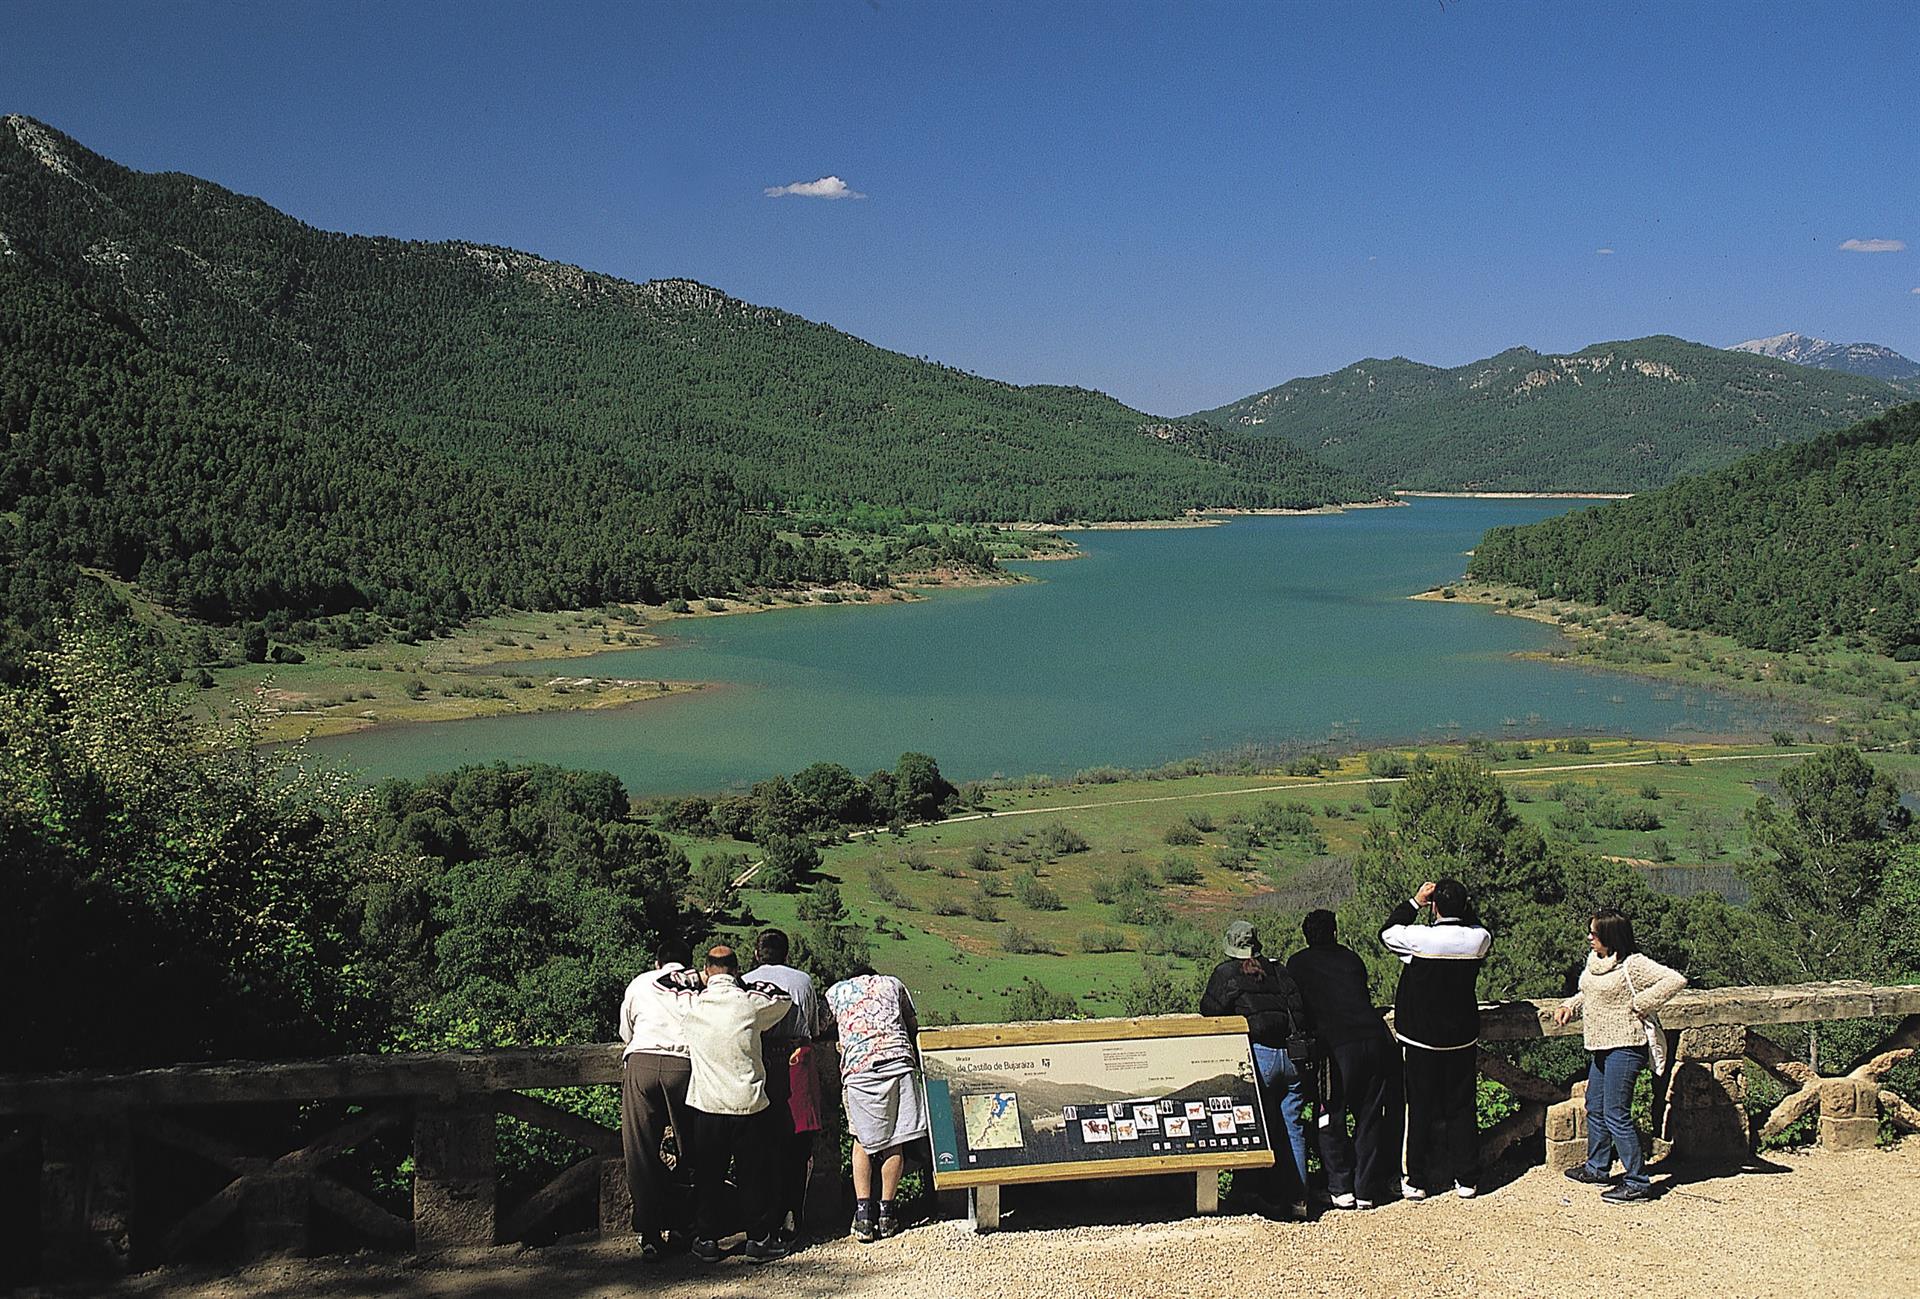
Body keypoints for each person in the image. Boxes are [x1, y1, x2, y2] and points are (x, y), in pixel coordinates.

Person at [655, 944, 793, 1263]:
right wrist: (739, 982)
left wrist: (700, 979)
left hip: (707, 1103)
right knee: (753, 1175)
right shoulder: (750, 1004)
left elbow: (664, 985)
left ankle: (706, 1239)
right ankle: (758, 1239)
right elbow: (782, 997)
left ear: (706, 970)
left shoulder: (693, 1003)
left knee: (708, 1176)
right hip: (748, 1102)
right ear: (736, 970)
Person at [1553, 908, 1688, 1204]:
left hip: (1626, 1046)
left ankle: (1638, 1182)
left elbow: (1675, 980)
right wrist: (1570, 1006)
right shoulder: (1596, 962)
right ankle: (1598, 1168)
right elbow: (1589, 994)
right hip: (1601, 1045)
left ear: (1610, 937)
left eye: (1595, 933)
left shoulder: (1633, 965)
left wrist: (1642, 1002)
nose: (1589, 937)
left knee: (1616, 1112)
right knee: (1596, 1106)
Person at [1382, 878, 1491, 1200]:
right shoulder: (1479, 940)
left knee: (1419, 1108)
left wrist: (1416, 902)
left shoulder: (1421, 939)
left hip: (1420, 1038)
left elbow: (1387, 931)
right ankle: (1467, 1178)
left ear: (1435, 907)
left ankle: (1415, 1179)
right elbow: (1478, 927)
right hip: (1461, 1037)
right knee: (1462, 1107)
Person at [1287, 909, 1402, 1210]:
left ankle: (1340, 1187)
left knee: (1330, 1114)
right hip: (1375, 1040)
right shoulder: (1352, 959)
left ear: (1306, 935)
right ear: (1335, 933)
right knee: (1370, 1116)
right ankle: (1366, 1189)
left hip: (1336, 1047)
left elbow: (1297, 1007)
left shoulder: (1298, 963)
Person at [1200, 919, 1315, 1219]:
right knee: (1293, 1128)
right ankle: (1298, 1198)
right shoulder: (1279, 970)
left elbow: (1209, 1011)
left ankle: (1254, 1195)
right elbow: (1299, 1008)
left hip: (1258, 1055)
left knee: (1254, 1129)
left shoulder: (1226, 973)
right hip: (1292, 1057)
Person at [823, 964, 927, 1243]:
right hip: (898, 1063)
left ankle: (863, 1216)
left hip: (859, 1070)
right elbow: (911, 1023)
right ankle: (887, 1214)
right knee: (896, 1139)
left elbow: (820, 1026)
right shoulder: (893, 983)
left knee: (861, 1140)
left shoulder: (836, 991)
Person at [617, 936, 695, 1260]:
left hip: (643, 1062)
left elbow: (626, 1031)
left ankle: (649, 1233)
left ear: (657, 962)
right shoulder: (696, 983)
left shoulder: (640, 983)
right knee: (690, 1147)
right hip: (686, 1066)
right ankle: (683, 1227)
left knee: (640, 1150)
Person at [743, 928, 820, 1245]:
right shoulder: (802, 981)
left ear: (758, 954)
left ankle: (764, 1217)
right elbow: (813, 1027)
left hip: (759, 1063)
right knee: (797, 1143)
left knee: (761, 1145)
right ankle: (791, 1213)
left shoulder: (744, 982)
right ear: (787, 953)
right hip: (796, 1061)